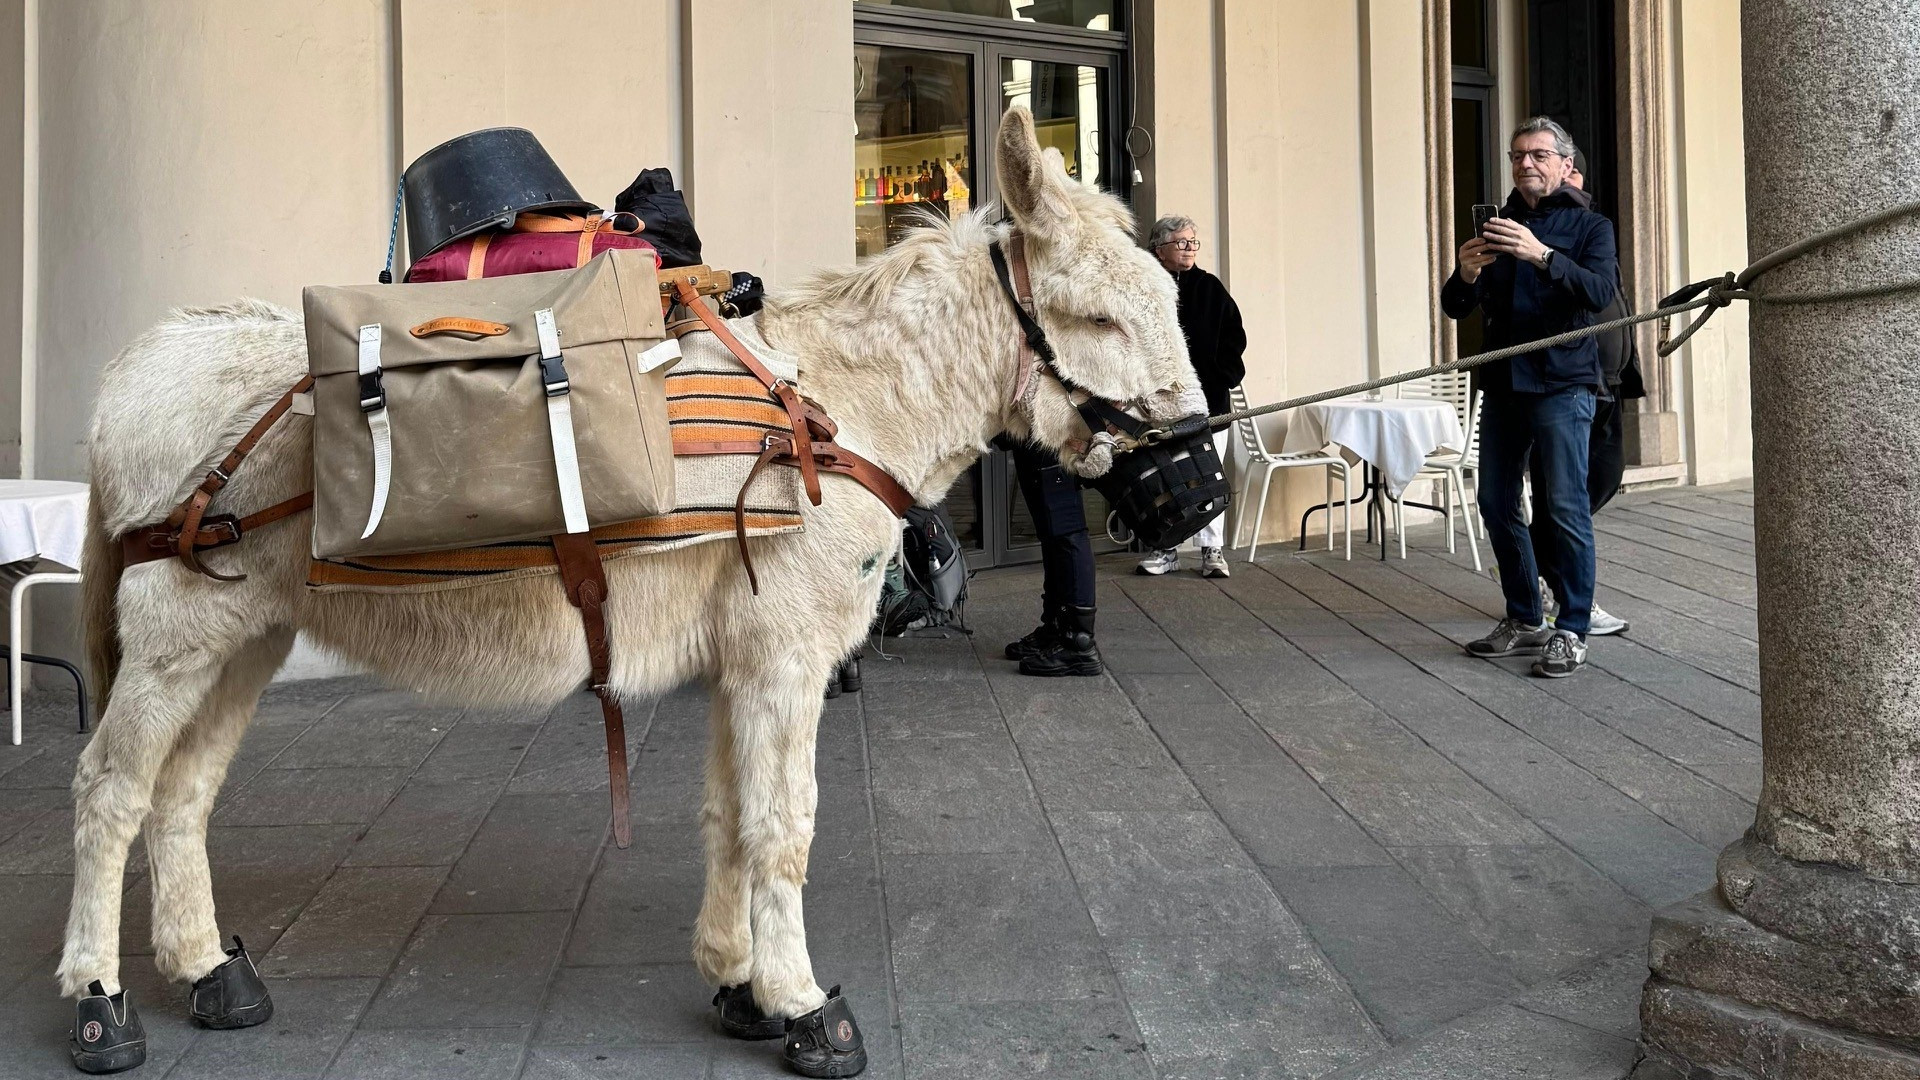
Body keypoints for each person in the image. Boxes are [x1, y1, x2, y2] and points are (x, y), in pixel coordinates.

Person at [1443, 116, 1617, 678]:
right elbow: (1454, 307)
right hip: (1503, 384)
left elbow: (1599, 293)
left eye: (1539, 155)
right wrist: (1465, 274)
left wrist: (1542, 255)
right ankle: (1524, 617)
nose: (1525, 164)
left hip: (1562, 383)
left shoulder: (1592, 227)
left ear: (1565, 164)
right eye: (1518, 155)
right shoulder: (1499, 223)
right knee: (1494, 501)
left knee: (1563, 507)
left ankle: (1572, 628)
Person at [1528, 151, 1643, 637]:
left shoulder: (1594, 230)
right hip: (1570, 379)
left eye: (1574, 169)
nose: (1573, 178)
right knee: (1564, 494)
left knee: (1604, 477)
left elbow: (1605, 292)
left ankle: (1534, 555)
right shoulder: (1551, 231)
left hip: (1608, 379)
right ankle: (1567, 594)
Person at [1135, 215, 1246, 578]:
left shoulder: (1210, 287)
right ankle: (1166, 548)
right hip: (1158, 400)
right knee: (1166, 476)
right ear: (1159, 248)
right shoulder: (1144, 286)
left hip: (1209, 399)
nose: (1190, 249)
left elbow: (1235, 336)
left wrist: (1225, 376)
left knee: (1208, 475)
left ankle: (1212, 550)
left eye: (1193, 242)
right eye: (1182, 242)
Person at [1002, 439, 1103, 677]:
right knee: (1051, 533)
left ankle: (1079, 643)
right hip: (1033, 431)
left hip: (1055, 429)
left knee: (1067, 530)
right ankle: (1056, 628)